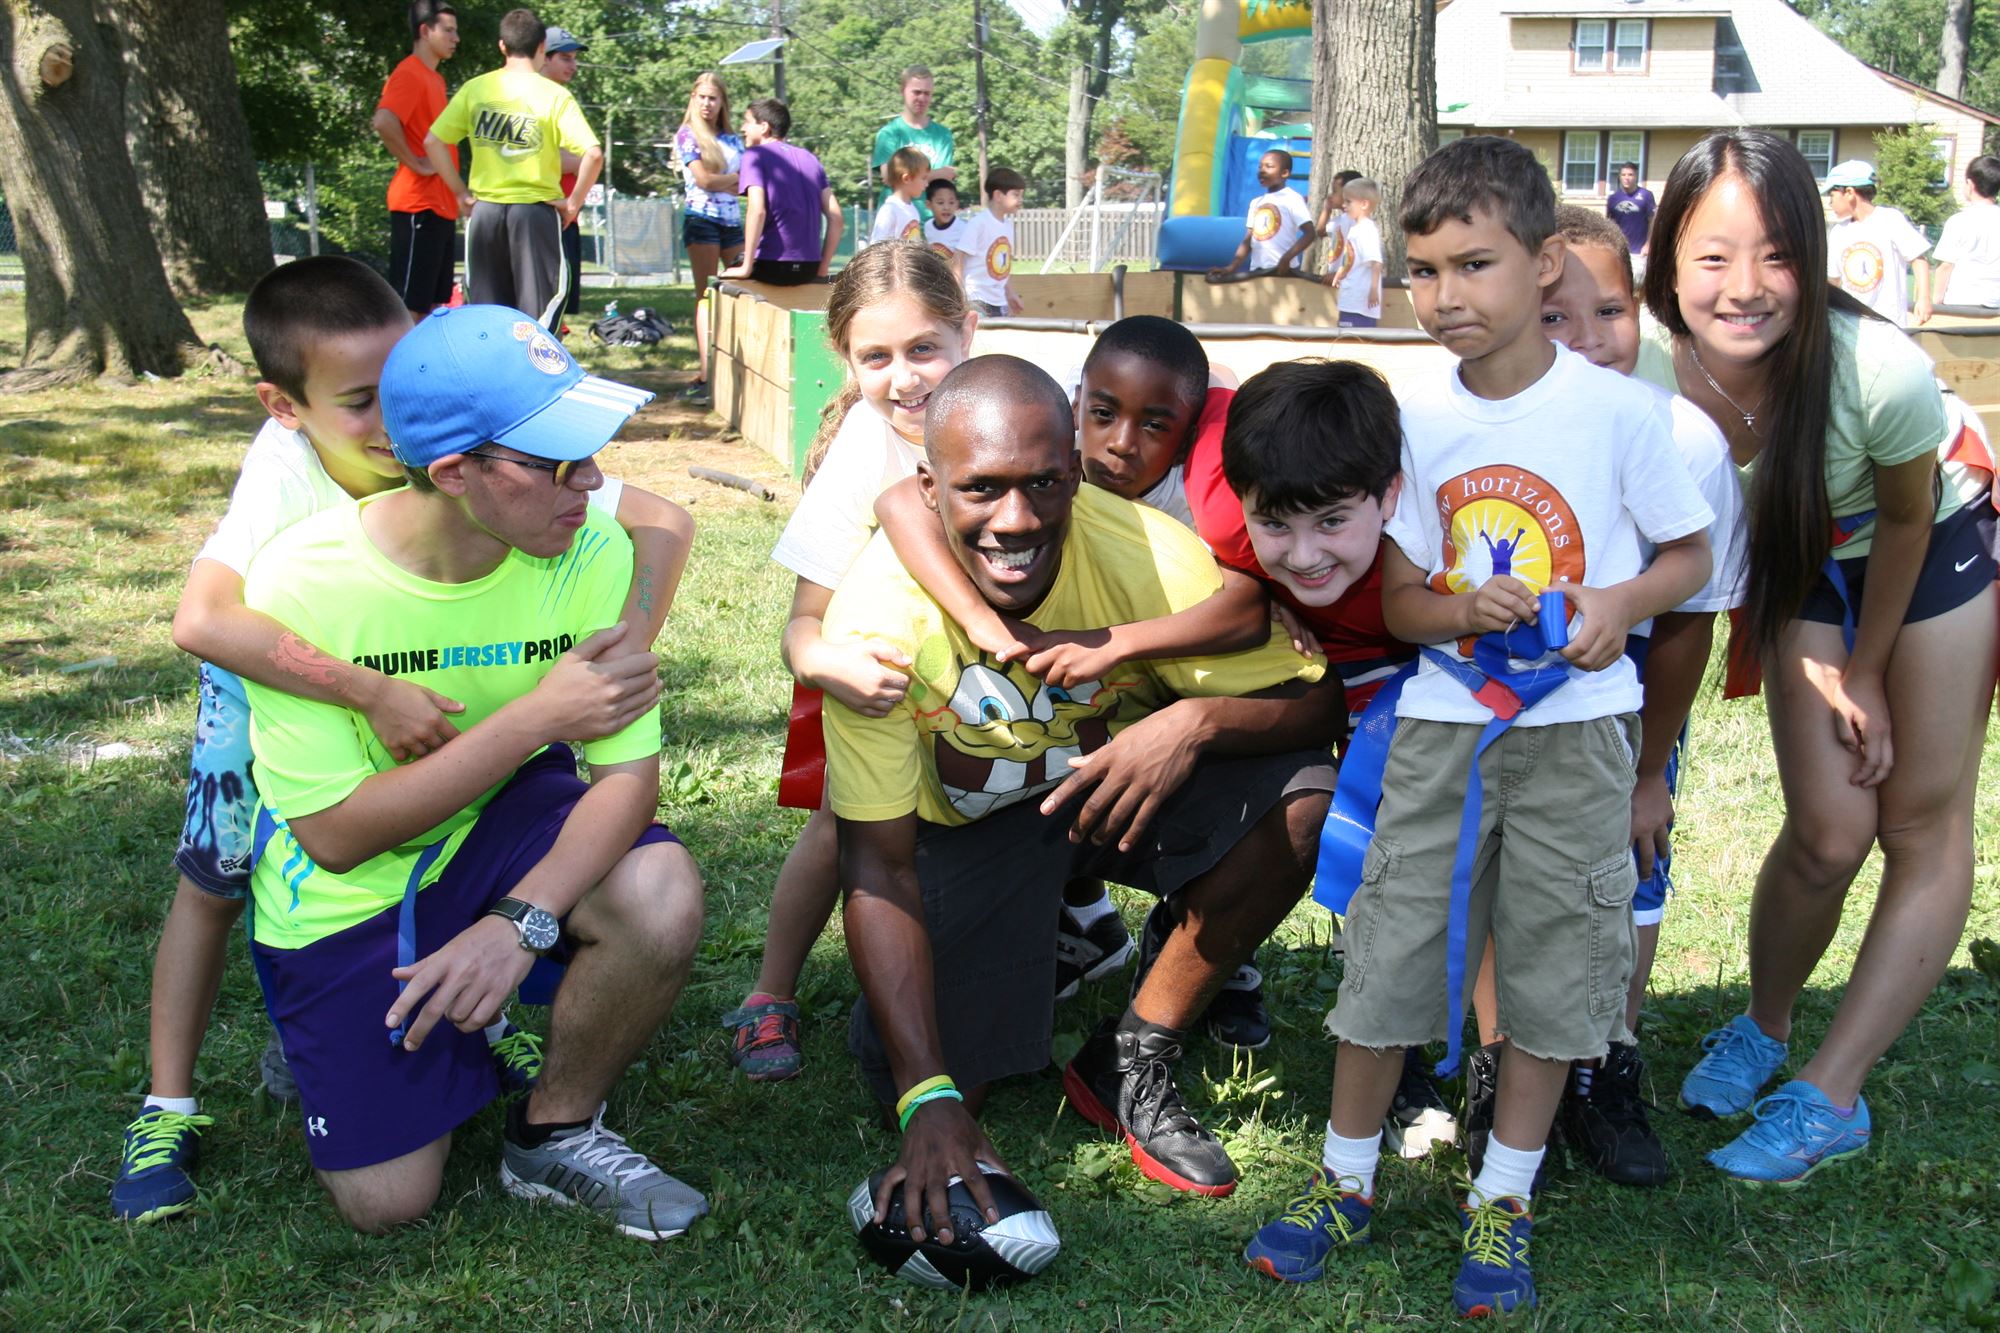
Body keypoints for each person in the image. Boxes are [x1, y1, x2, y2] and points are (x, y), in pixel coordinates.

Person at [107, 260, 694, 1224]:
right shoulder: (293, 576)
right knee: (386, 1203)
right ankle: (210, 1079)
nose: (592, 483)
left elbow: (628, 771)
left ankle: (553, 1128)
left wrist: (523, 920)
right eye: (559, 460)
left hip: (490, 809)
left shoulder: (585, 539)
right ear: (455, 471)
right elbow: (335, 836)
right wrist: (535, 716)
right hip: (352, 865)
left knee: (660, 888)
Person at [1243, 135, 1714, 1318]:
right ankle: (1342, 1177)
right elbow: (1402, 603)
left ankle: (1503, 1193)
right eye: (1421, 271)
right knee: (1389, 946)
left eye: (1474, 265)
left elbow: (1689, 558)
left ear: (1545, 262)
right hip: (1443, 727)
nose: (1445, 296)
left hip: (1578, 732)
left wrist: (1614, 604)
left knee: (1556, 967)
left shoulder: (1617, 414)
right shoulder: (1413, 421)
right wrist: (1460, 608)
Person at [832, 354, 1340, 1232]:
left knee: (1302, 797)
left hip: (1116, 795)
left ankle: (1133, 1051)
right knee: (918, 1087)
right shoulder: (876, 618)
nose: (1016, 519)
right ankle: (1007, 960)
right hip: (975, 832)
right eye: (982, 489)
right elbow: (877, 869)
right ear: (928, 485)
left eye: (1043, 484)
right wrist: (925, 1092)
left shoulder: (1145, 551)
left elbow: (1319, 701)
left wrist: (1190, 725)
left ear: (1074, 471)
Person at [1636, 130, 1995, 1184]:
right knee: (1829, 834)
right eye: (1711, 257)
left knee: (1917, 818)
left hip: (1925, 555)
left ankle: (1830, 1091)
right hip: (1798, 565)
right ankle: (1763, 1021)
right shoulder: (1645, 358)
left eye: (1776, 254)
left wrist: (1869, 668)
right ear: (1666, 260)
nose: (1743, 288)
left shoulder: (1877, 370)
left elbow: (1904, 519)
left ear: (1814, 255)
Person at [870, 316, 1289, 1043]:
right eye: (1103, 415)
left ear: (1189, 435)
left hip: (1150, 728)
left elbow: (1247, 606)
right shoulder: (1033, 467)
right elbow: (900, 501)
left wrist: (1116, 647)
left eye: (1155, 425)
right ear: (1074, 413)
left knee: (1247, 769)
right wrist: (983, 619)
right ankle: (1078, 918)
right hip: (1037, 756)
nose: (1122, 443)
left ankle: (1205, 937)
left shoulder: (1194, 514)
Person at [1519, 204, 1748, 1187]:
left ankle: (1605, 1062)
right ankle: (1495, 1062)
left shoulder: (1683, 442)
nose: (1585, 339)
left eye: (1608, 311)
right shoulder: (1494, 426)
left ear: (1644, 315)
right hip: (1509, 697)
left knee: (1627, 864)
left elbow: (1689, 620)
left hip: (1634, 696)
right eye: (1555, 318)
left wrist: (1648, 772)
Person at [721, 245, 976, 1082]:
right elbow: (801, 629)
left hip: (979, 683)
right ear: (847, 361)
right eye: (878, 357)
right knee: (842, 825)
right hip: (878, 688)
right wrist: (835, 666)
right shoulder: (866, 447)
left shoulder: (1006, 406)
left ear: (968, 331)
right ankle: (769, 994)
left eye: (925, 348)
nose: (905, 378)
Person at [423, 8, 603, 331]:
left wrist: (461, 193)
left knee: (485, 316)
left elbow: (433, 142)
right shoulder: (554, 95)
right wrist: (573, 204)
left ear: (502, 46)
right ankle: (535, 378)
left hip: (485, 212)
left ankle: (489, 380)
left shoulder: (475, 89)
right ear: (541, 48)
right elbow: (593, 154)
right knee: (538, 319)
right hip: (535, 214)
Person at [373, 0, 462, 319]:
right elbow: (384, 120)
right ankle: (398, 369)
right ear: (425, 31)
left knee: (435, 303)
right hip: (417, 205)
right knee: (410, 306)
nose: (456, 38)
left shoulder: (435, 79)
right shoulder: (409, 72)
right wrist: (415, 163)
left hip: (440, 206)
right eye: (448, 30)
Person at [675, 72, 744, 406]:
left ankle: (734, 365)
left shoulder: (733, 139)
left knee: (739, 294)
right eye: (701, 96)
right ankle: (705, 373)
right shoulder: (687, 135)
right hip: (701, 220)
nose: (707, 103)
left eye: (713, 98)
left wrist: (725, 181)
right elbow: (702, 179)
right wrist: (730, 179)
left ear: (722, 103)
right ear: (693, 98)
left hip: (733, 222)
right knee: (705, 294)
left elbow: (745, 184)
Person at [722, 98, 842, 287]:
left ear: (764, 127)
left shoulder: (755, 155)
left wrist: (746, 266)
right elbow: (836, 218)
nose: (743, 128)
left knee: (718, 286)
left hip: (772, 266)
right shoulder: (810, 159)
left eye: (747, 121)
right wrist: (822, 268)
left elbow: (757, 210)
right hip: (809, 268)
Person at [1824, 159, 1933, 327]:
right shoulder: (1838, 232)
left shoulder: (1890, 219)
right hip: (1853, 324)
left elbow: (1918, 260)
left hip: (1889, 324)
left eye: (1832, 196)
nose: (1830, 203)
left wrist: (1923, 299)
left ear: (1849, 192)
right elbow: (1834, 280)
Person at [539, 26, 588, 334]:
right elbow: (547, 158)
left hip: (566, 213)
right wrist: (583, 161)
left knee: (559, 298)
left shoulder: (560, 98)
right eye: (565, 58)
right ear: (543, 57)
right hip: (547, 211)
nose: (573, 65)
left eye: (574, 58)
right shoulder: (539, 98)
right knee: (545, 299)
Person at [1208, 150, 1313, 281]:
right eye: (1260, 167)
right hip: (1258, 271)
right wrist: (1231, 267)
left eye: (1269, 166)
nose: (1262, 171)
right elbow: (1248, 240)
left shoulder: (1292, 198)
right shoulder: (1256, 203)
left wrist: (1287, 258)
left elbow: (1310, 233)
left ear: (1284, 173)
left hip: (1284, 271)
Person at [871, 65, 955, 218]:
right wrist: (933, 174)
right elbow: (888, 177)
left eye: (927, 93)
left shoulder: (943, 135)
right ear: (902, 90)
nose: (922, 98)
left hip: (932, 222)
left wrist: (907, 177)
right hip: (898, 219)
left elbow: (945, 177)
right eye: (916, 92)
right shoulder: (889, 133)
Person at [951, 167, 1026, 316]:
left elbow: (1002, 268)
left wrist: (1010, 293)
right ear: (998, 195)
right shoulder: (979, 224)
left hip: (999, 301)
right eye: (1016, 195)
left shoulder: (1008, 227)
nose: (1021, 200)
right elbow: (959, 257)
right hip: (977, 299)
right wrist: (959, 293)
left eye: (1021, 195)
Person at [1932, 154, 2000, 308]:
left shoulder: (1959, 221)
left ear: (1970, 184)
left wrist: (1936, 301)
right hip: (1997, 306)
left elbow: (1946, 266)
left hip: (1962, 303)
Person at [1334, 179, 1384, 327]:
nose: (1344, 206)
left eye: (1348, 202)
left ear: (1364, 204)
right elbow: (1351, 259)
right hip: (1350, 299)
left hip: (1360, 303)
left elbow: (1376, 262)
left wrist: (1374, 289)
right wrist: (1340, 273)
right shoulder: (1355, 228)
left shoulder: (1367, 230)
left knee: (1355, 342)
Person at [870, 147, 930, 246]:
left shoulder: (912, 209)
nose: (927, 184)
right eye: (923, 178)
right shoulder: (889, 210)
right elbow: (876, 246)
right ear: (906, 179)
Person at [1317, 168, 1362, 288]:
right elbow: (1320, 231)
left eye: (1335, 191)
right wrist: (1326, 210)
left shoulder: (1357, 221)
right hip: (1337, 280)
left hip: (1351, 280)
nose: (1331, 195)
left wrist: (1342, 273)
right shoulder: (1338, 221)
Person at [1605, 162, 1655, 267]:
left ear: (1636, 176)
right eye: (1623, 175)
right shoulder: (1613, 198)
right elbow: (1609, 224)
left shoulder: (1646, 195)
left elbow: (1653, 221)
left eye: (1630, 175)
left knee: (1638, 282)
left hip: (1639, 252)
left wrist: (1648, 244)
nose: (1626, 178)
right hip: (1619, 250)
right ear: (1620, 177)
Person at [921, 178, 964, 263]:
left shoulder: (963, 228)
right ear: (928, 204)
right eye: (940, 203)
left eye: (951, 202)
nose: (946, 207)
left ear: (957, 204)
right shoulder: (927, 226)